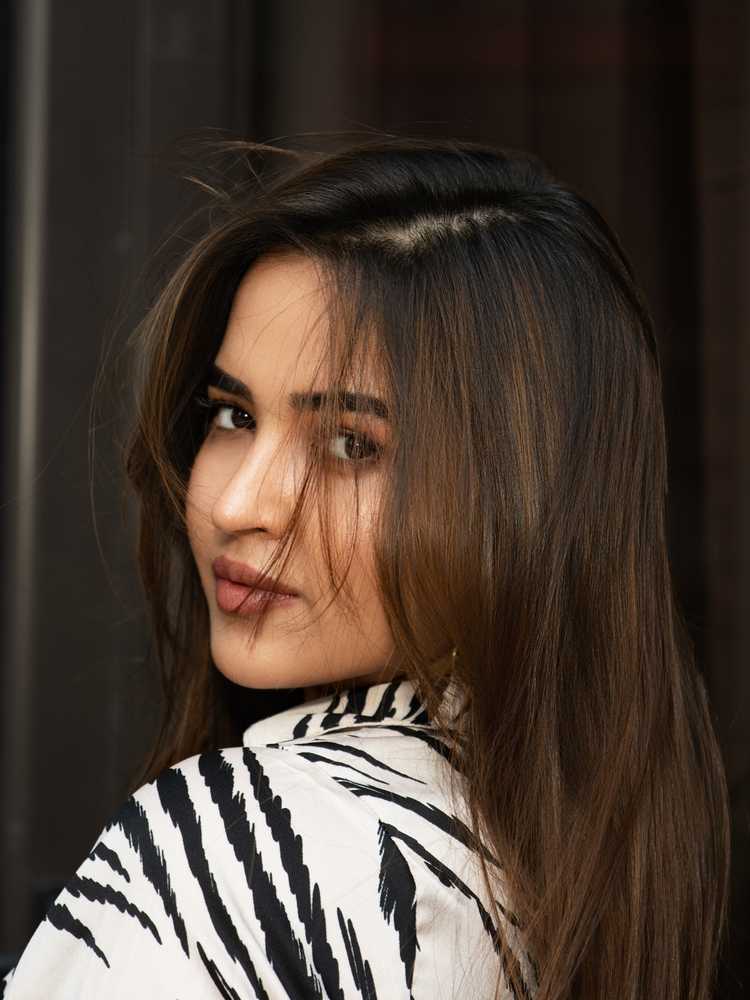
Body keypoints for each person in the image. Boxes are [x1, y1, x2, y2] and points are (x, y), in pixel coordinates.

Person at [1, 135, 730, 999]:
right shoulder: (581, 849)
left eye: (352, 444)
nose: (237, 505)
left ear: (522, 498)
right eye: (233, 415)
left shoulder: (239, 859)